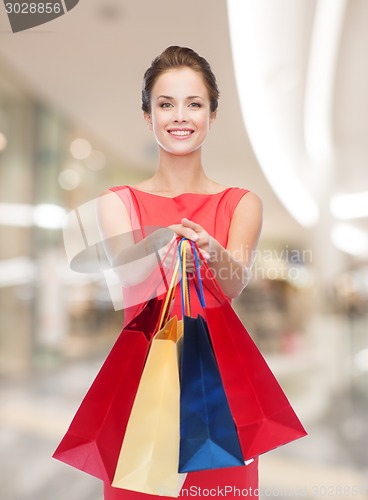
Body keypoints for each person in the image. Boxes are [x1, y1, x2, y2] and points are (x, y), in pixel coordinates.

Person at [97, 46, 263, 500]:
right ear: (147, 116)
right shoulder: (118, 202)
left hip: (218, 400)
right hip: (141, 394)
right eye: (165, 104)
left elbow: (234, 283)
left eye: (194, 103)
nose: (180, 116)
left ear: (213, 114)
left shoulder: (241, 203)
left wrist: (211, 252)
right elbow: (128, 278)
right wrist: (156, 248)